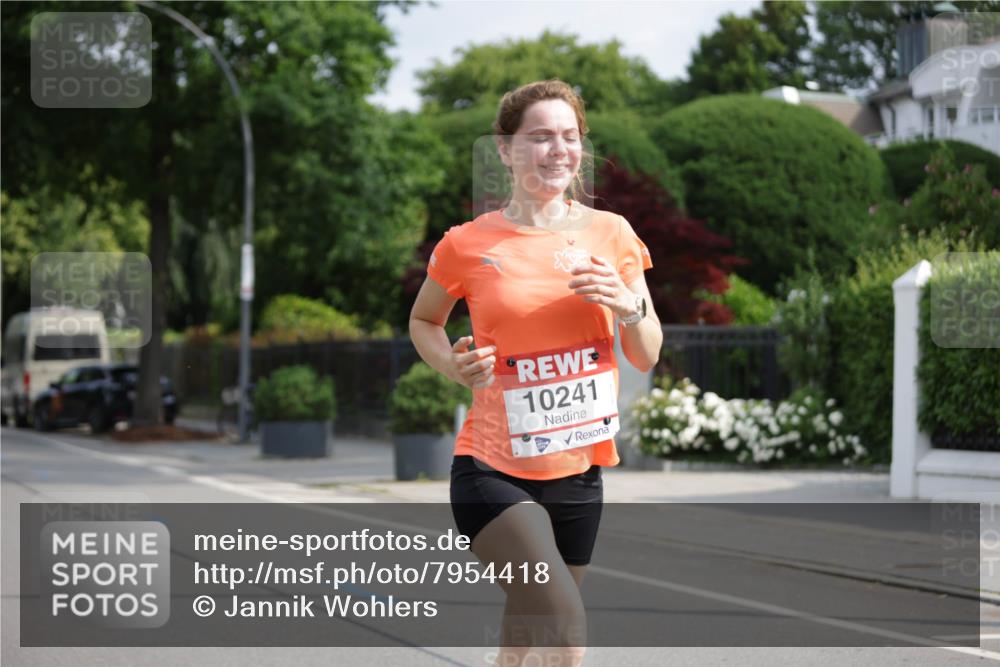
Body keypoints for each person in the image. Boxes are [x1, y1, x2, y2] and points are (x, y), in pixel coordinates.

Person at [408, 79, 661, 667]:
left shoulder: (612, 233)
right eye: (540, 136)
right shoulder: (466, 244)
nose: (558, 150)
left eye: (569, 137)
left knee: (524, 635)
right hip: (492, 470)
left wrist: (629, 305)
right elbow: (424, 320)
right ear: (505, 149)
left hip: (578, 474)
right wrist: (452, 362)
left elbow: (646, 352)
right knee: (563, 626)